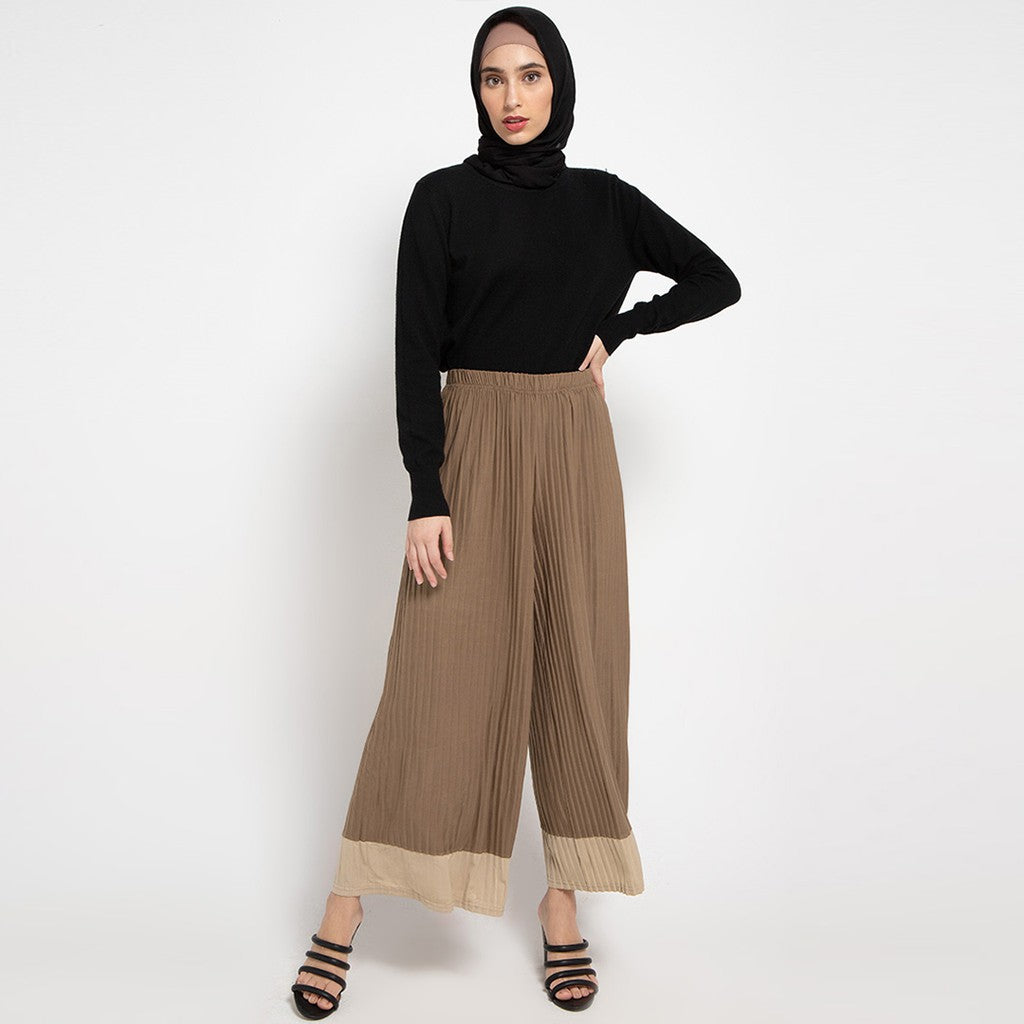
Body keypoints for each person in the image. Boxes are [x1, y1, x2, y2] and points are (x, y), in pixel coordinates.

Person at [291, 5, 741, 1016]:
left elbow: (718, 280)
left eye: (530, 75)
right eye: (493, 78)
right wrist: (426, 491)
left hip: (575, 443)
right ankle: (345, 906)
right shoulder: (443, 200)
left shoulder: (606, 203)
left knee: (580, 664)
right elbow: (414, 353)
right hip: (476, 440)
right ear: (476, 91)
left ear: (559, 84)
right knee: (434, 670)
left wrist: (621, 329)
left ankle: (562, 904)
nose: (512, 97)